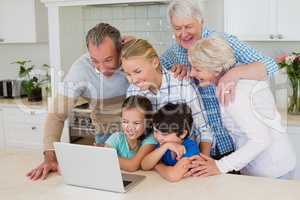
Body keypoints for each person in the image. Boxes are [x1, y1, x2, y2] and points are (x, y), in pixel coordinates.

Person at [160, 0, 280, 160]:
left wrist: (234, 73)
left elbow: (270, 65)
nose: (183, 33)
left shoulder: (222, 41)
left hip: (232, 143)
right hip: (198, 144)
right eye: (177, 28)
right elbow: (153, 71)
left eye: (188, 27)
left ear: (201, 21)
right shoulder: (173, 53)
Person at [27, 23, 129, 180]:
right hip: (106, 138)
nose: (101, 68)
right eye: (95, 60)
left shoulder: (133, 57)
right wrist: (50, 157)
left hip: (142, 135)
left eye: (108, 60)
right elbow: (56, 116)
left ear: (119, 50)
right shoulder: (80, 70)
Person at [185, 36, 296, 179]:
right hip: (276, 166)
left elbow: (260, 140)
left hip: (271, 171)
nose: (192, 73)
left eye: (197, 69)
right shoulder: (237, 79)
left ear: (216, 69)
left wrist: (220, 166)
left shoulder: (234, 93)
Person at [121, 38, 212, 157]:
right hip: (153, 160)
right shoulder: (133, 90)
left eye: (137, 71)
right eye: (128, 74)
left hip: (185, 157)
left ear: (155, 62)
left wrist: (203, 160)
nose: (133, 80)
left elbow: (203, 130)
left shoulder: (181, 83)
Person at [141, 103, 200, 182]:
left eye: (164, 134)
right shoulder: (164, 145)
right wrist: (166, 146)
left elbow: (173, 176)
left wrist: (157, 165)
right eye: (155, 131)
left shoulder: (190, 147)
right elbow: (144, 165)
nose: (158, 137)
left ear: (182, 134)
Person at [103, 95, 157, 172]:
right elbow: (102, 161)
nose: (130, 127)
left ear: (148, 123)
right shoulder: (116, 137)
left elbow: (132, 166)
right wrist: (105, 157)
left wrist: (108, 157)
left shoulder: (150, 140)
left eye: (136, 123)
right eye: (125, 122)